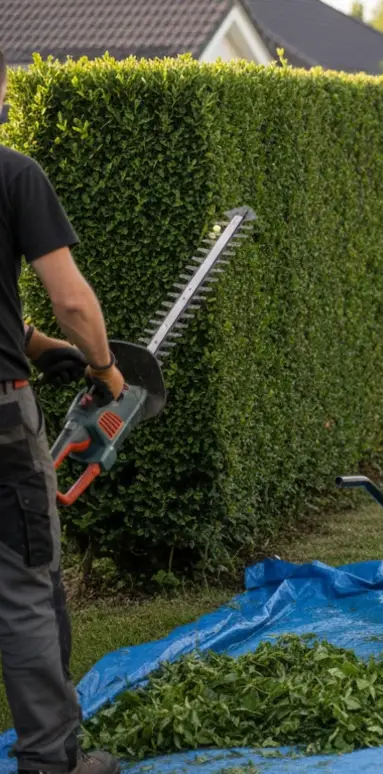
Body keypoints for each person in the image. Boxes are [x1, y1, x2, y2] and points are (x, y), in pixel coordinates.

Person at [0, 49, 123, 774]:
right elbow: (73, 300)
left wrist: (35, 344)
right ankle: (52, 761)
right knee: (25, 584)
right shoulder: (15, 174)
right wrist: (103, 366)